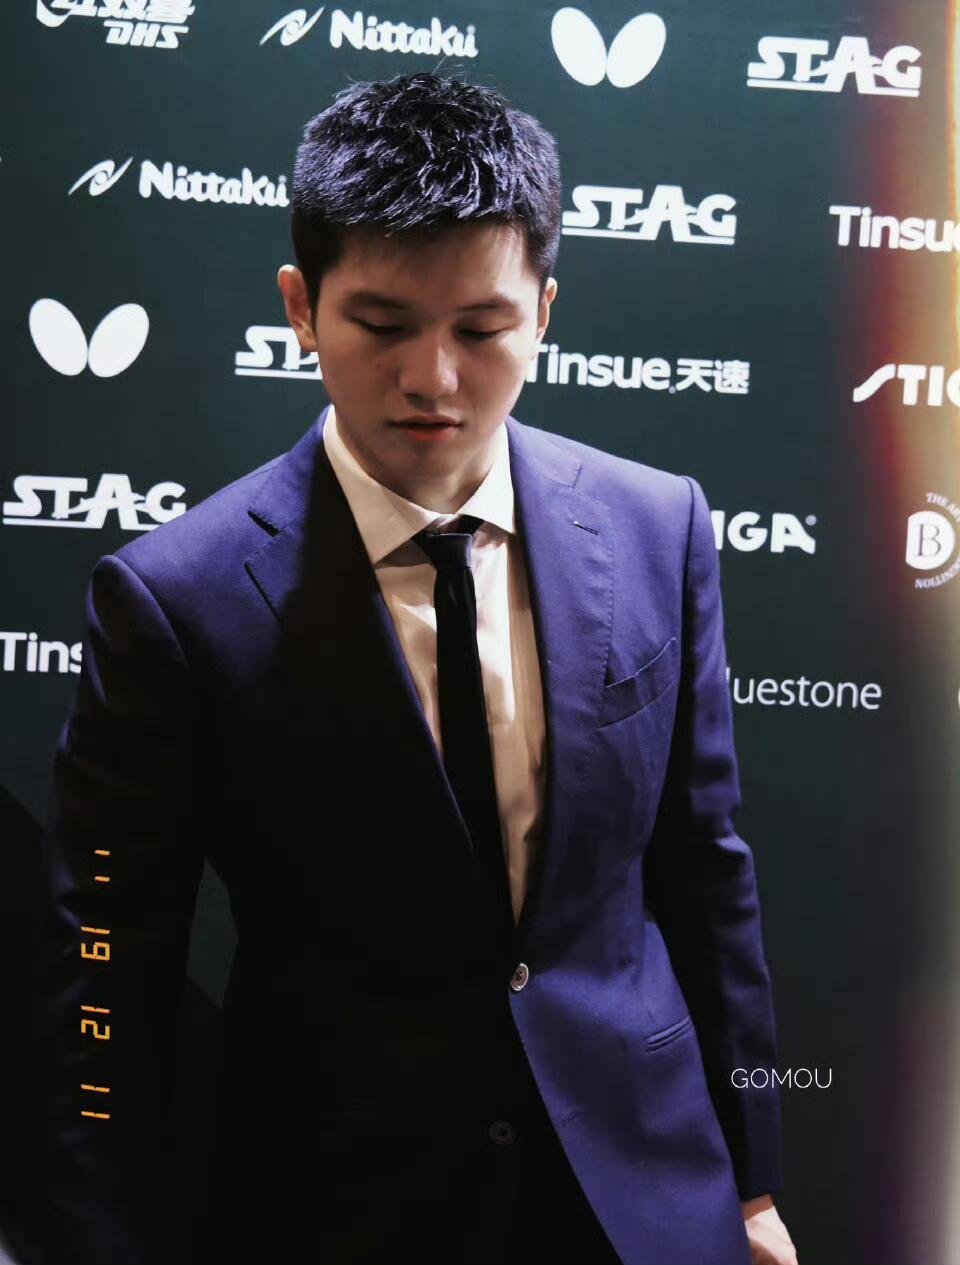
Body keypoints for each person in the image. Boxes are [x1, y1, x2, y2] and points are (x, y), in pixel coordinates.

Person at [29, 72, 798, 1265]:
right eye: (383, 324)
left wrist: (751, 1183)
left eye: (481, 329)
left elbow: (705, 872)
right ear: (301, 306)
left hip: (646, 1196)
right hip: (336, 1206)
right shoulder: (174, 599)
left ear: (544, 312)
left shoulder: (660, 528)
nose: (432, 378)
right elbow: (108, 968)